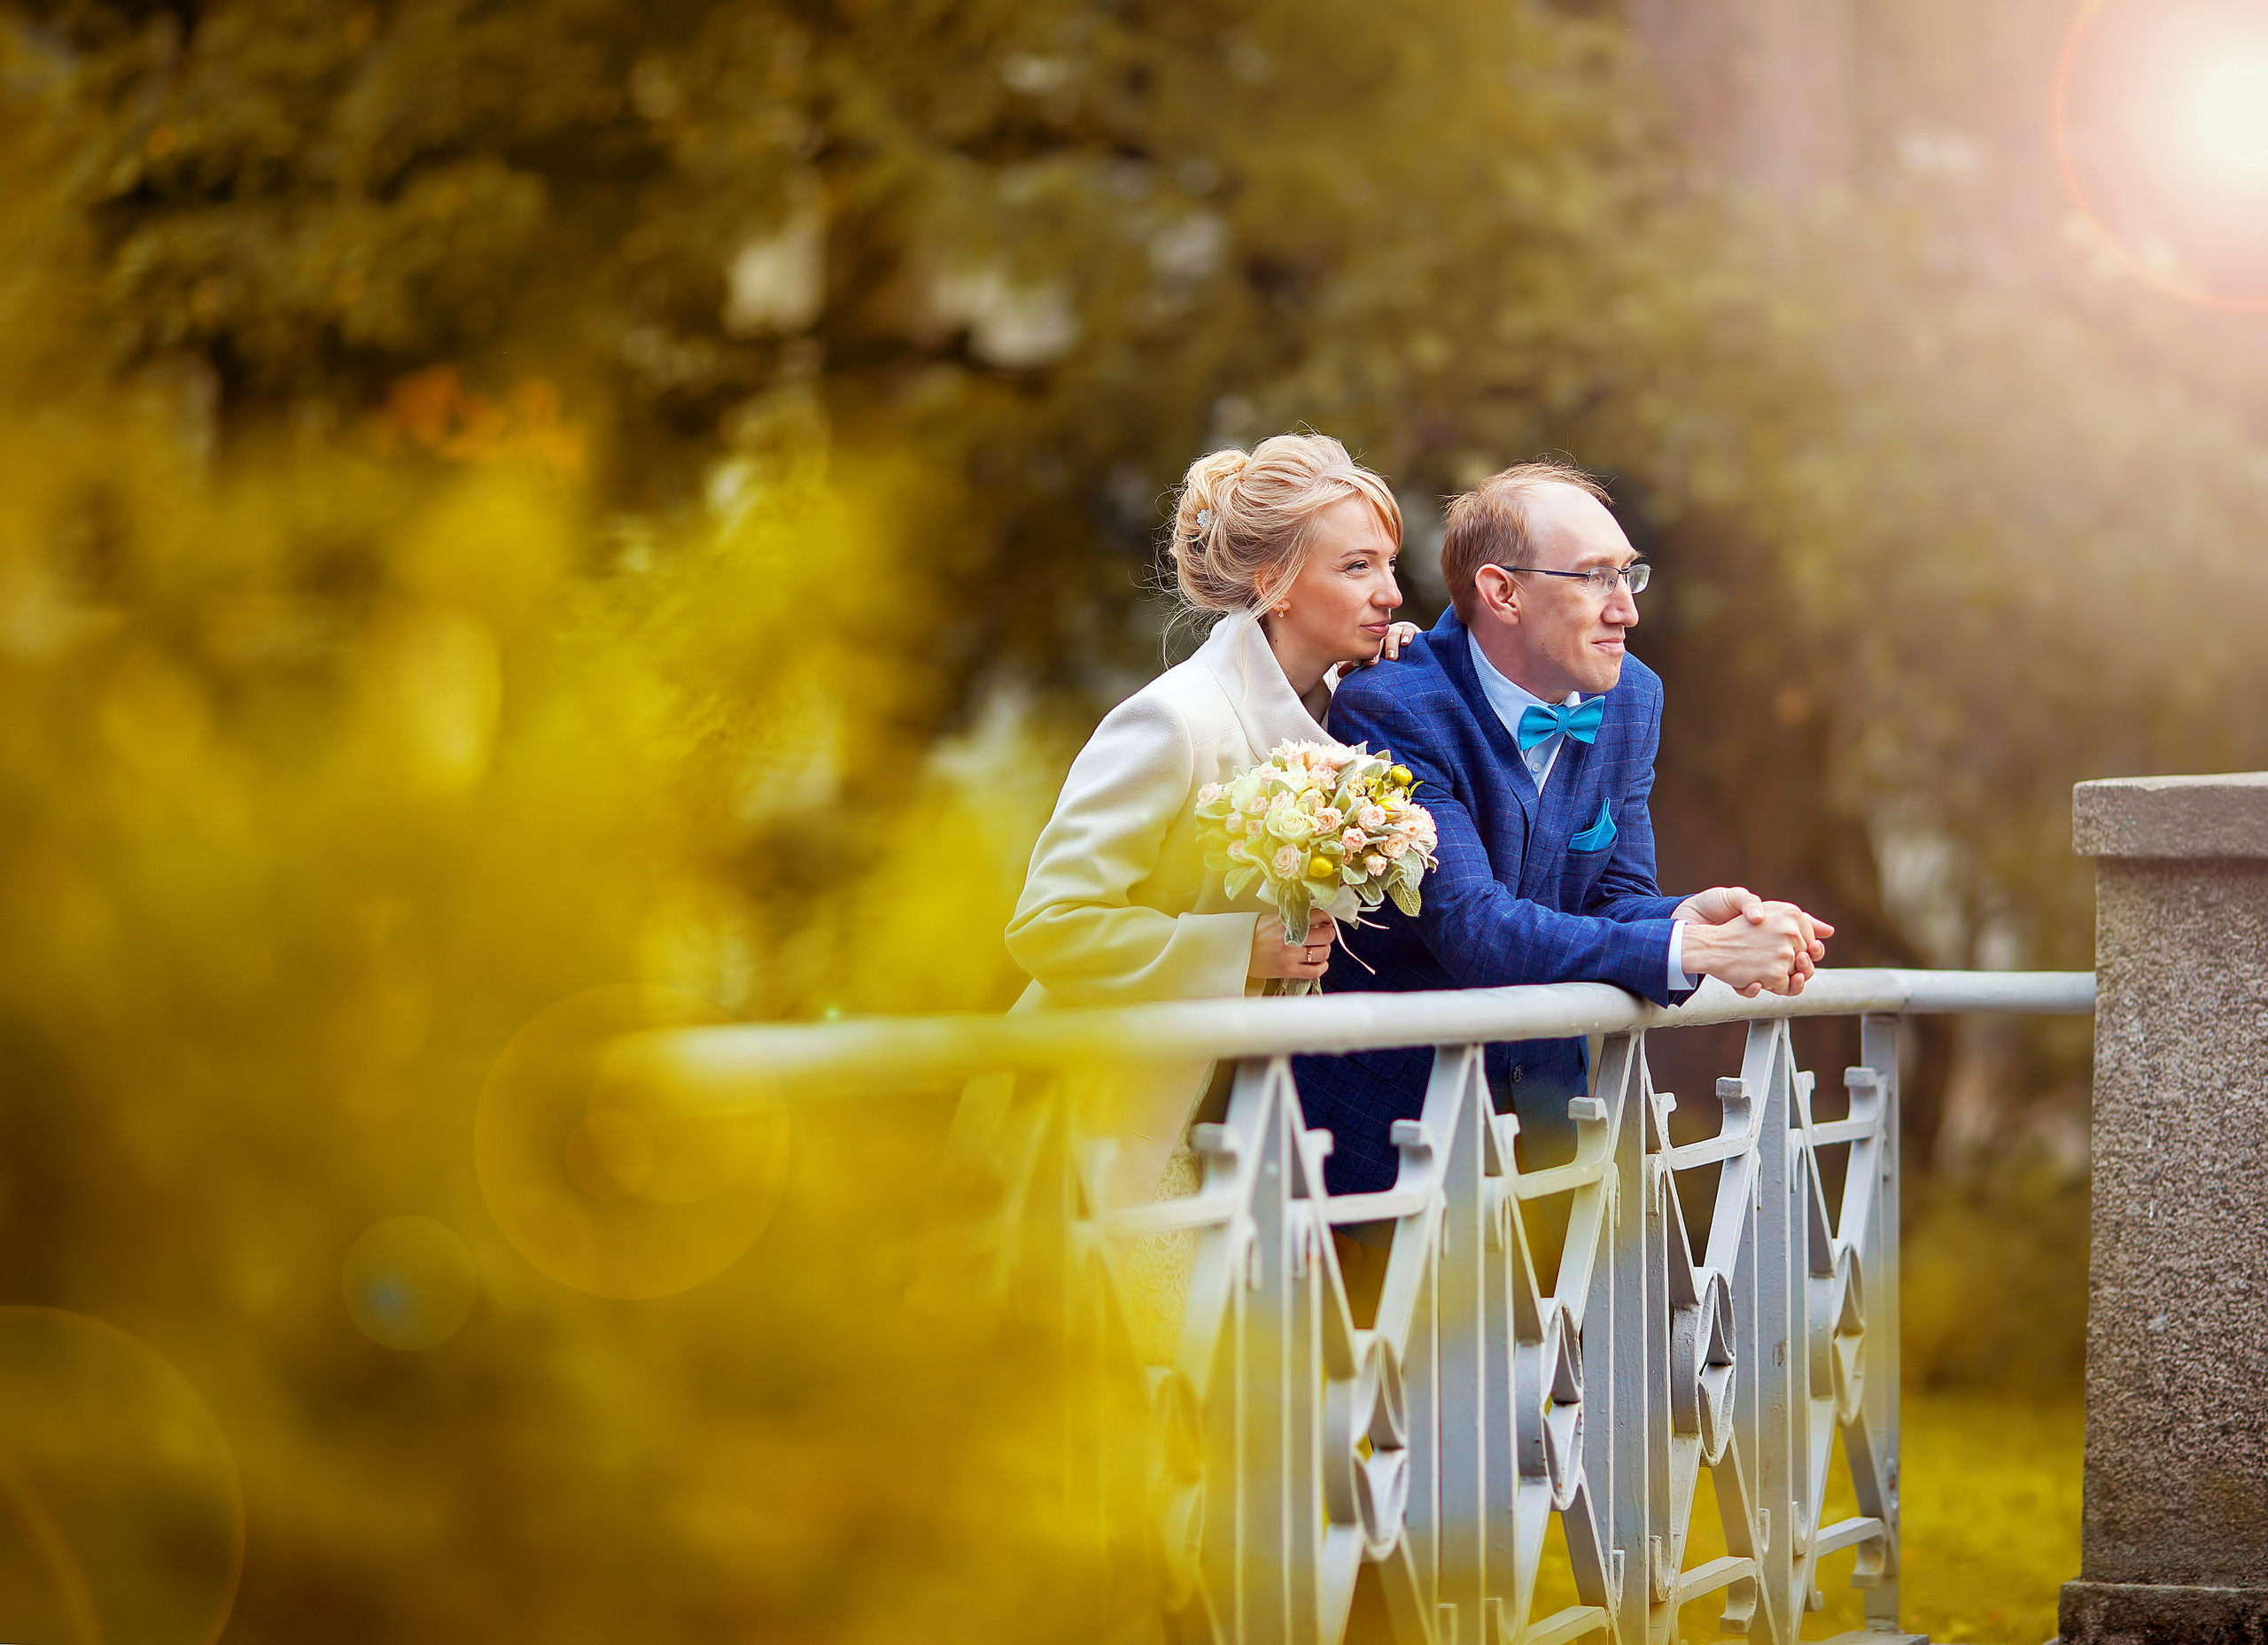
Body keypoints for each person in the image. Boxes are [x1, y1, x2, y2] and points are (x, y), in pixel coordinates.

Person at [1294, 459, 1833, 1199]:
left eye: (1628, 576)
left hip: (1554, 1133)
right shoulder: (1390, 705)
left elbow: (1613, 895)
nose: (1627, 610)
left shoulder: (1634, 697)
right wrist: (1701, 949)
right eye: (1595, 577)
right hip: (1388, 1147)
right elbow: (1474, 929)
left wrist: (1687, 913)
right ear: (1503, 591)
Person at [1004, 433, 1417, 1222]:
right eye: (1358, 566)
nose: (1391, 594)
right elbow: (1046, 926)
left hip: (1256, 1135)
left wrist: (1414, 683)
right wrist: (1237, 948)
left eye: (1389, 565)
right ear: (1275, 583)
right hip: (1104, 1124)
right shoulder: (1172, 719)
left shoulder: (1357, 706)